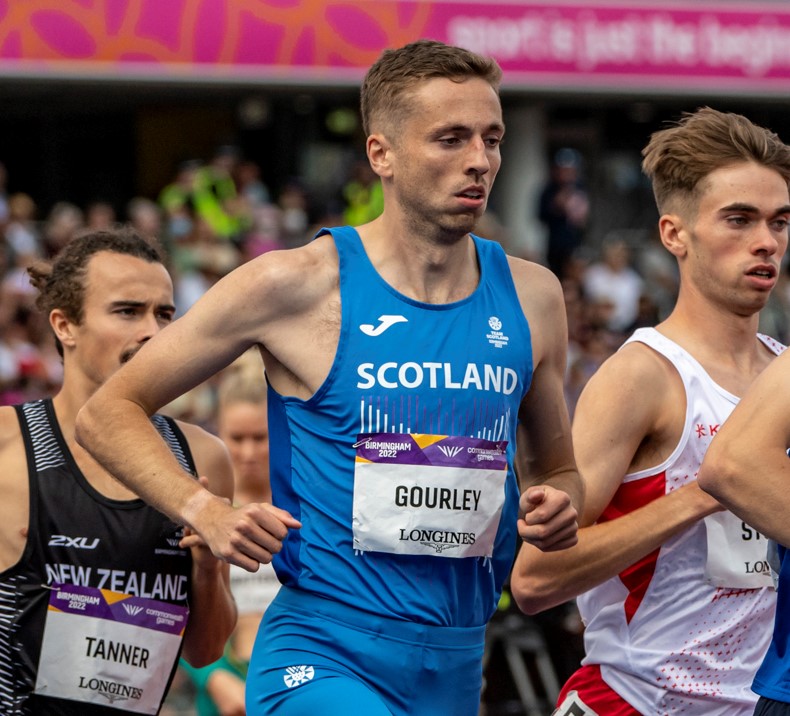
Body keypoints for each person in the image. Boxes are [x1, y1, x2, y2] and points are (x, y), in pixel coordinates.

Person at [75, 39, 582, 716]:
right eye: (451, 138)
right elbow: (107, 413)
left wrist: (556, 503)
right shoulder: (296, 285)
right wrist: (205, 511)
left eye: (492, 139)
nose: (480, 161)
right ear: (383, 155)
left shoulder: (534, 297)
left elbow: (558, 471)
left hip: (459, 663)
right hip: (323, 656)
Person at [510, 106, 790, 715]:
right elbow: (534, 580)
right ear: (674, 235)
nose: (766, 242)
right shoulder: (643, 376)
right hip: (632, 700)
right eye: (738, 220)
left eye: (779, 221)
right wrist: (707, 493)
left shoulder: (784, 377)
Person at [0, 227, 237, 714]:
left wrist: (208, 571)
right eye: (128, 311)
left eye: (164, 314)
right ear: (64, 326)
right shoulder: (7, 443)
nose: (153, 330)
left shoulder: (202, 457)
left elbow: (205, 650)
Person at [698, 308, 790, 710]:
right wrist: (687, 504)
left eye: (777, 237)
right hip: (650, 689)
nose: (766, 244)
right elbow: (732, 467)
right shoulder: (644, 369)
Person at [180, 354, 280, 716]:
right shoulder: (204, 506)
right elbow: (178, 604)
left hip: (293, 677)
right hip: (223, 687)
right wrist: (215, 679)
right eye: (237, 438)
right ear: (218, 430)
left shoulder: (305, 507)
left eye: (261, 437)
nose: (248, 452)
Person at [538, 147, 590, 279]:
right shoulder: (548, 190)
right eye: (563, 170)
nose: (566, 174)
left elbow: (585, 220)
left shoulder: (580, 188)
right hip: (555, 246)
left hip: (576, 244)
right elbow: (540, 216)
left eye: (570, 170)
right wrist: (556, 207)